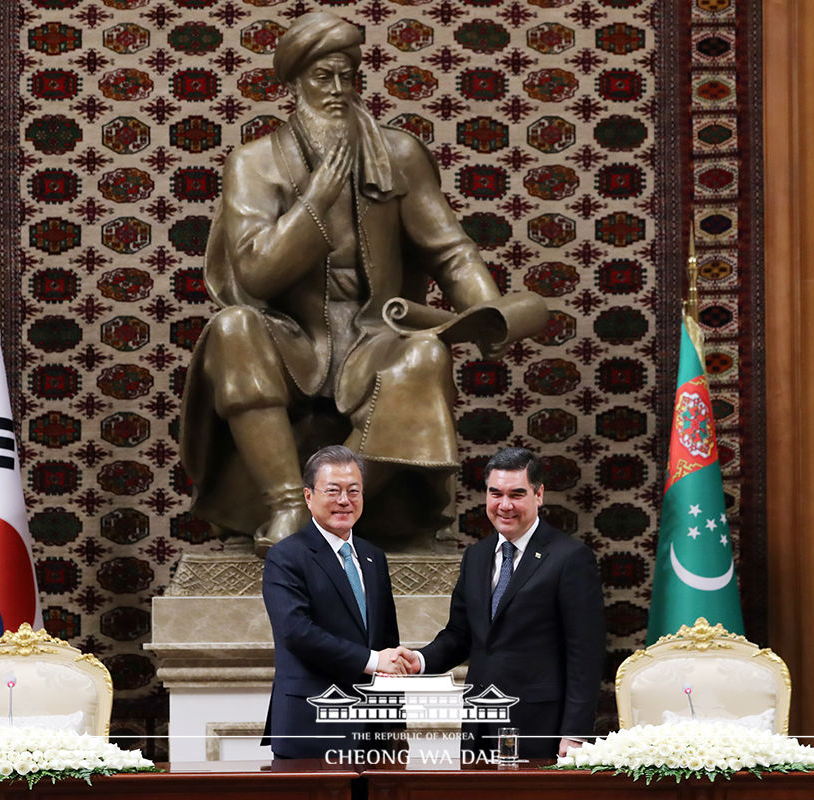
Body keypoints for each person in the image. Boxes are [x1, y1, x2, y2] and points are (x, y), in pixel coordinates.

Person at [179, 12, 544, 555]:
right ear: (295, 82)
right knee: (233, 327)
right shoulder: (254, 164)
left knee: (424, 356)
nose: (337, 90)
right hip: (292, 338)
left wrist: (488, 311)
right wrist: (316, 201)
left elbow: (451, 252)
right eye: (322, 77)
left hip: (374, 335)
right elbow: (255, 273)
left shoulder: (398, 156)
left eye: (347, 76)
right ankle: (286, 504)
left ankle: (331, 511)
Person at [398, 447, 605, 759]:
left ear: (539, 494)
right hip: (480, 721)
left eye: (517, 494)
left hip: (539, 724)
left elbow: (585, 655)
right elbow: (460, 634)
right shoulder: (476, 556)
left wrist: (575, 733)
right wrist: (420, 660)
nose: (504, 505)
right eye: (495, 493)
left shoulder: (570, 558)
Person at [261, 445, 409, 759]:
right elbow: (296, 632)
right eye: (333, 490)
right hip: (311, 723)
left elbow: (386, 640)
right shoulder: (286, 556)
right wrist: (372, 661)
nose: (344, 500)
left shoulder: (373, 557)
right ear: (308, 496)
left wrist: (396, 724)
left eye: (354, 491)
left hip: (372, 731)